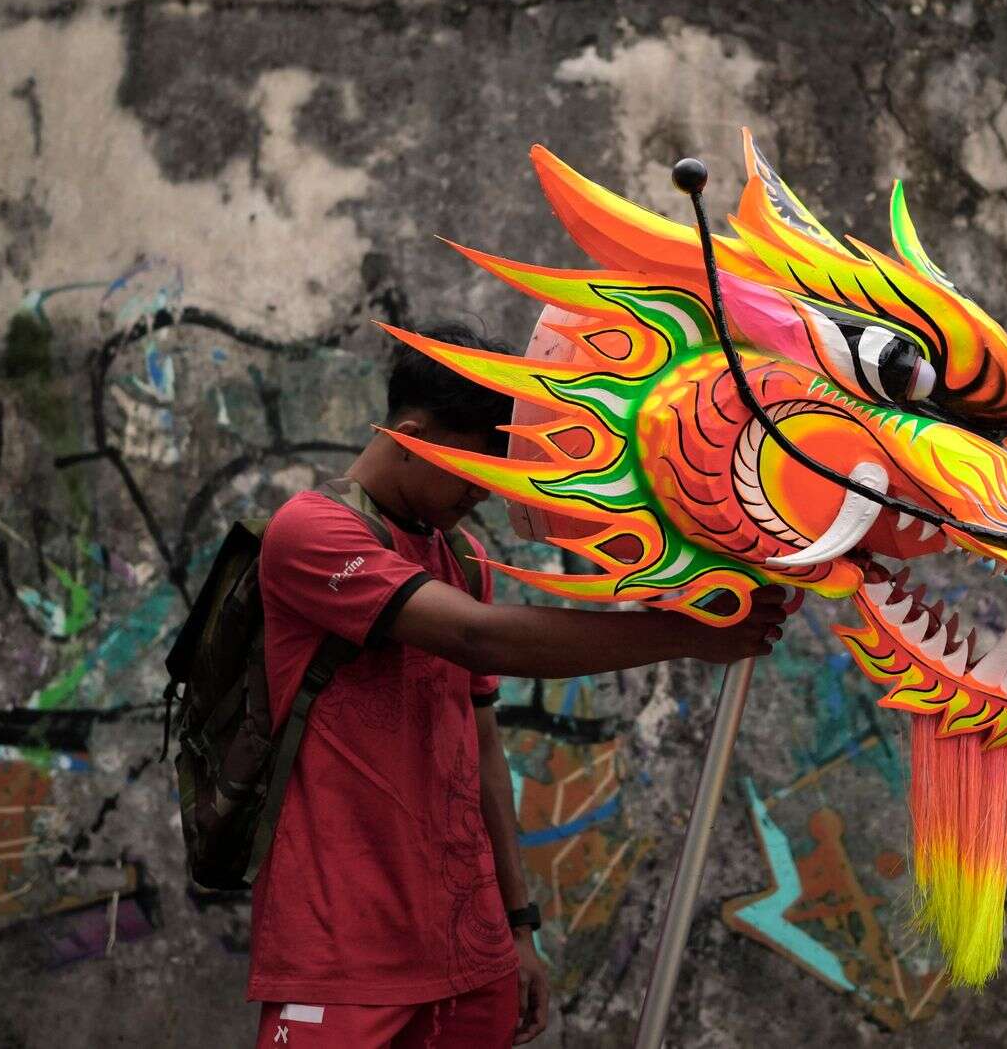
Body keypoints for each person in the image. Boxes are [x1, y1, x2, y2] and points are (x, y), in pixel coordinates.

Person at [249, 322, 792, 1049]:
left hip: (471, 957)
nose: (483, 494)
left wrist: (517, 926)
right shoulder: (311, 533)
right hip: (342, 957)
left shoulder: (465, 557)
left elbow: (483, 759)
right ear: (412, 436)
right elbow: (478, 633)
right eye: (474, 472)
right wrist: (690, 634)